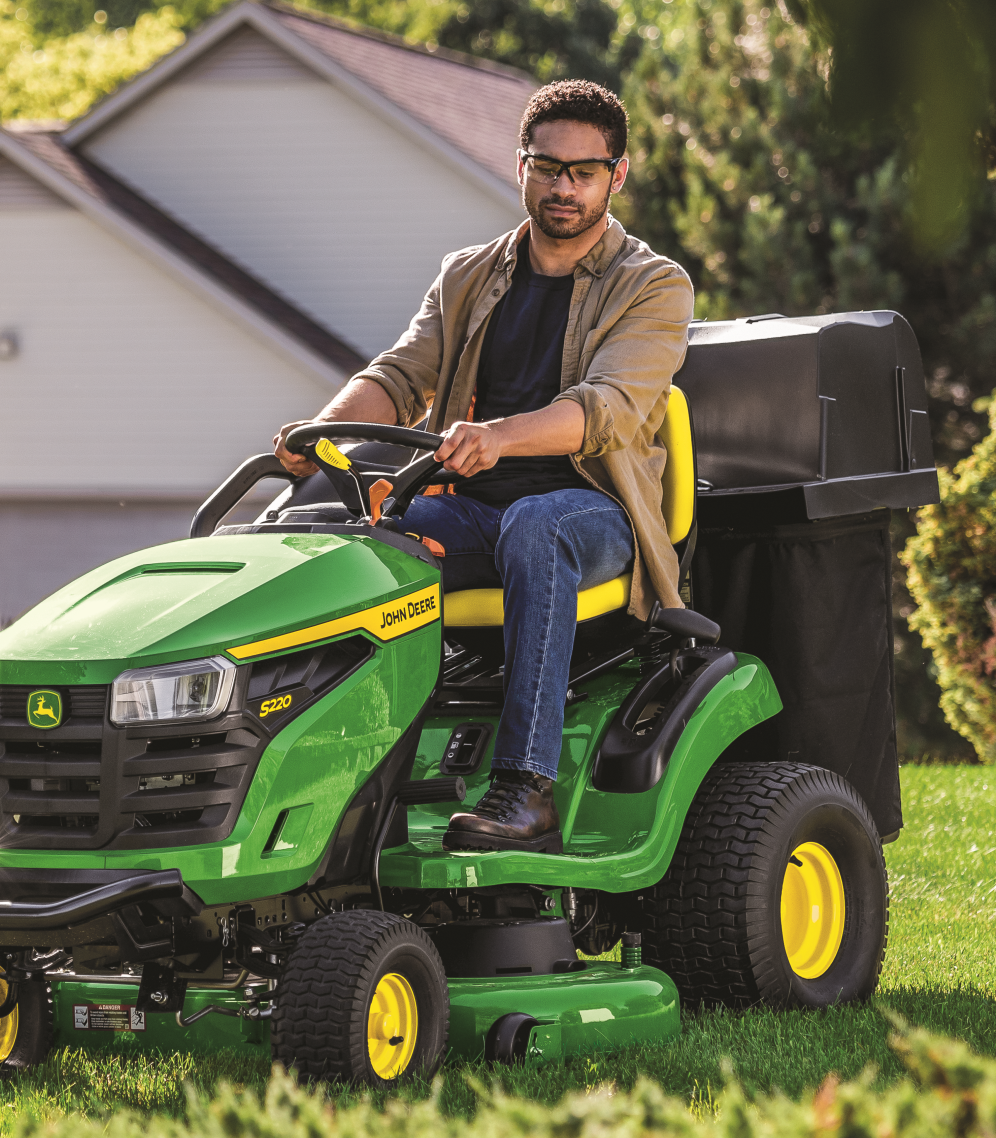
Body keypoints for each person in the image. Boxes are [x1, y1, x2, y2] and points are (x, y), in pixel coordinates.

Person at [274, 80, 693, 854]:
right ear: (521, 165)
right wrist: (323, 429)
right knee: (357, 537)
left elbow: (606, 410)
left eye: (584, 171)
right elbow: (402, 375)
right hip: (471, 504)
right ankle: (329, 775)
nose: (563, 187)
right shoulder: (468, 273)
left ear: (616, 176)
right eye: (547, 167)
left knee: (536, 526)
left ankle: (524, 791)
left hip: (592, 512)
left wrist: (497, 436)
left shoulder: (654, 285)